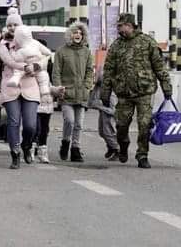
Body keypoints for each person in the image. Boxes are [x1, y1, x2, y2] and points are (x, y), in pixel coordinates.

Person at [101, 13, 172, 169]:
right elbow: (108, 71)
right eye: (118, 26)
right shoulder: (116, 46)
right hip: (124, 93)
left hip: (145, 91)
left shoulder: (147, 43)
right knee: (121, 125)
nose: (119, 29)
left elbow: (159, 67)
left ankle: (142, 155)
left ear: (130, 25)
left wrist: (166, 86)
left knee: (144, 124)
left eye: (121, 26)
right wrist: (105, 92)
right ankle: (124, 145)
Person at [0, 10, 41, 169]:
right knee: (13, 121)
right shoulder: (3, 44)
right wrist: (26, 66)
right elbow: (9, 61)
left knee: (30, 125)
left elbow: (42, 61)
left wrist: (35, 67)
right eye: (9, 25)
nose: (12, 27)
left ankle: (27, 145)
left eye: (15, 24)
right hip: (11, 86)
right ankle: (15, 153)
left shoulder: (32, 43)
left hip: (30, 87)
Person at [53, 22, 94, 163]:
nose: (78, 35)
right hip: (66, 93)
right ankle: (65, 143)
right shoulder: (61, 51)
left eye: (80, 33)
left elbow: (90, 70)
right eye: (75, 32)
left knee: (79, 124)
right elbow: (56, 72)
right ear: (70, 34)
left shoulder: (87, 52)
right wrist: (58, 88)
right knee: (69, 121)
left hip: (82, 94)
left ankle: (75, 149)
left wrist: (87, 85)